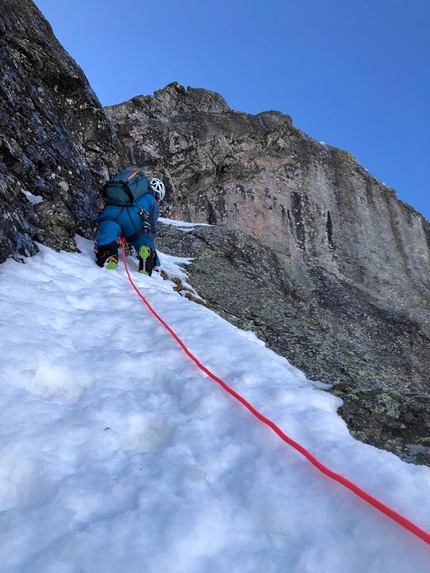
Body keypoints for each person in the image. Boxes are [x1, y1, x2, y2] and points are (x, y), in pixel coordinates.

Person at [93, 174, 165, 274]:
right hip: (133, 220)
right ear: (157, 196)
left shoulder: (127, 189)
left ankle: (109, 254)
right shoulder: (151, 199)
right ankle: (148, 257)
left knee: (109, 231)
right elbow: (152, 223)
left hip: (110, 213)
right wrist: (150, 238)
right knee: (142, 238)